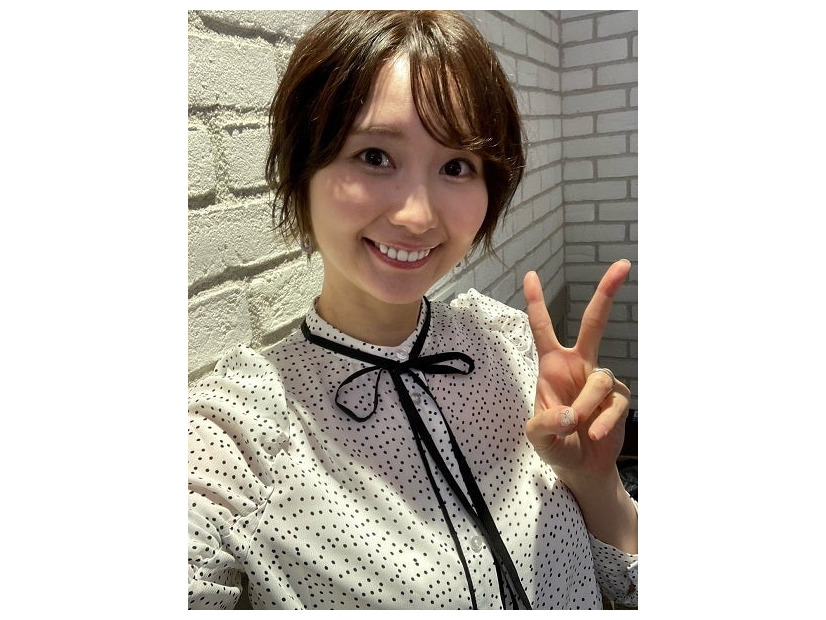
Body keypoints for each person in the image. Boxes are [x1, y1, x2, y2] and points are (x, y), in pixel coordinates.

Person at [188, 10, 637, 610]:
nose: (418, 217)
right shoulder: (240, 434)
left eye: (456, 166)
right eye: (374, 156)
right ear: (302, 168)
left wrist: (595, 479)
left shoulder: (507, 344)